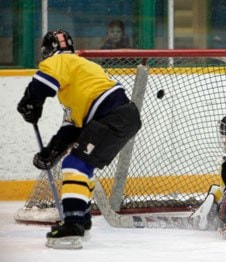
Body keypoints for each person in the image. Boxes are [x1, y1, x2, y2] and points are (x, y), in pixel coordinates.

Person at [17, 29, 141, 249]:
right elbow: (73, 127)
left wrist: (30, 101)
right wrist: (52, 151)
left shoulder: (60, 61)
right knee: (83, 165)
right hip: (121, 117)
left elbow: (42, 81)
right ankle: (81, 219)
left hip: (112, 117)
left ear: (49, 50)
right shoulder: (81, 68)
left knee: (74, 165)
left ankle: (74, 224)